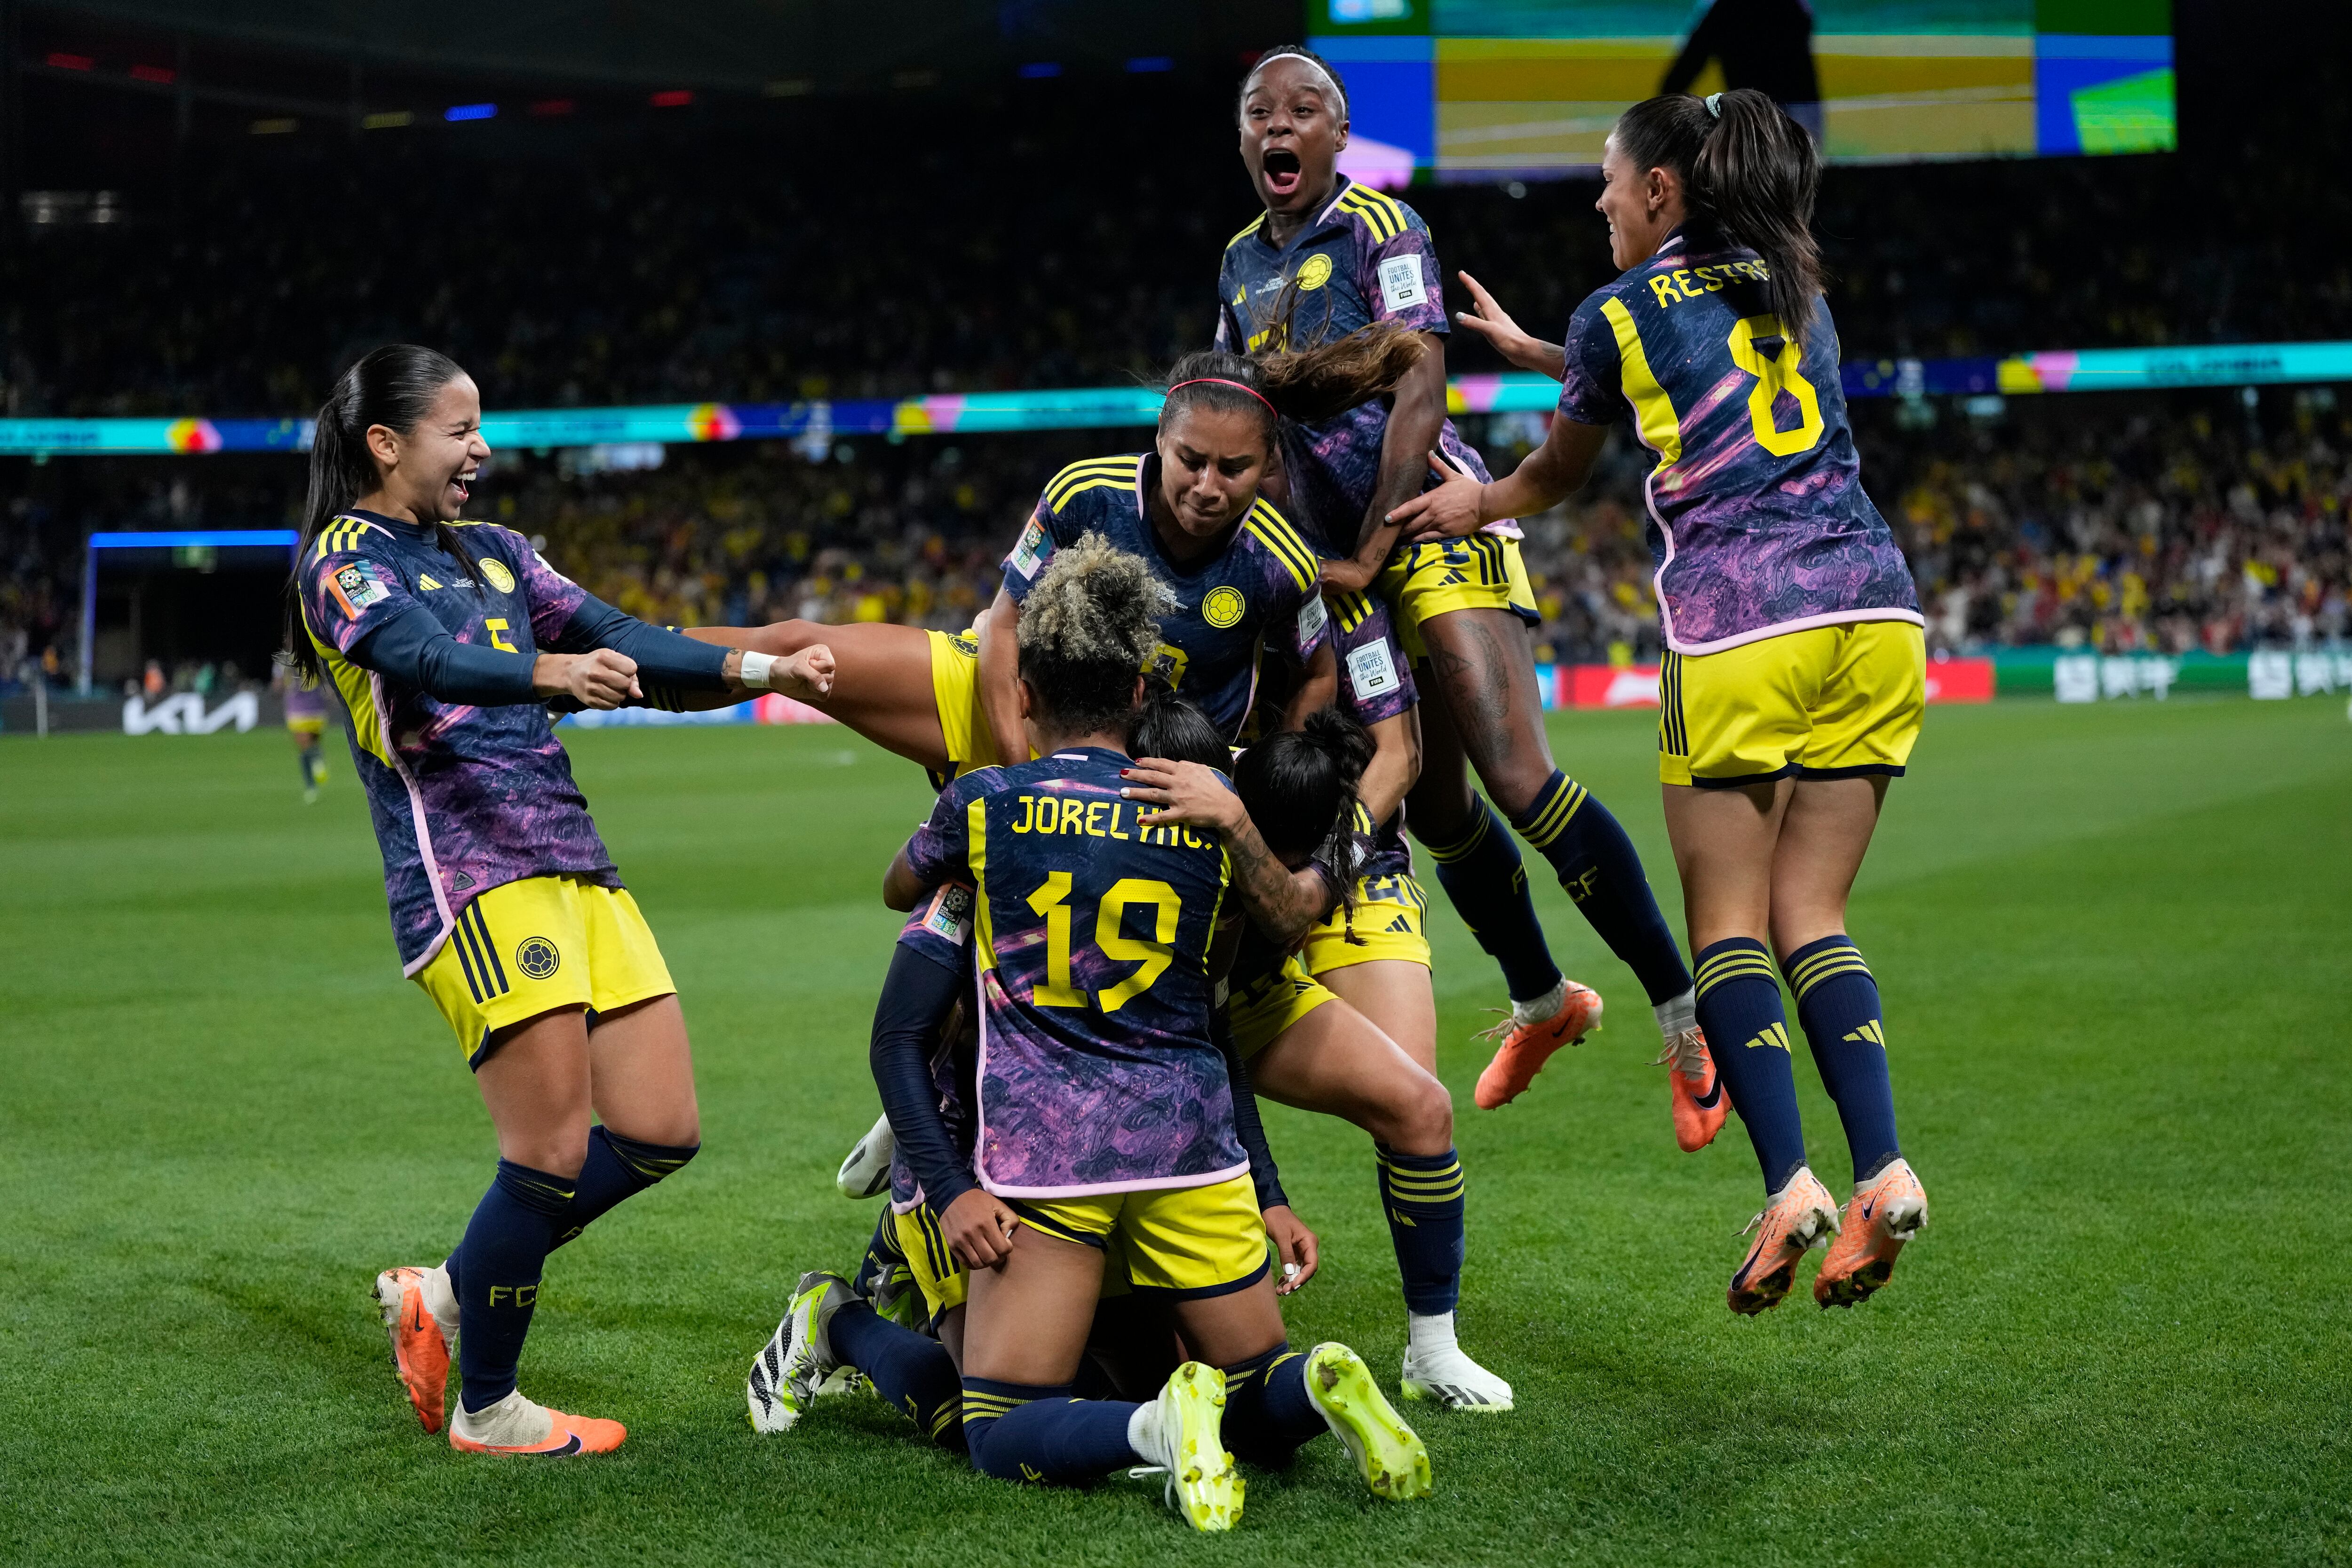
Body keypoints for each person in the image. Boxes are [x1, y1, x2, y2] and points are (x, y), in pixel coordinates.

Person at [756, 537, 1429, 1531]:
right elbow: (1234, 991)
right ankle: (1308, 1383)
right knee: (1241, 1378)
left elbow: (902, 907)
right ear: (1141, 691)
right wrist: (1269, 1189)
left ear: (1022, 691)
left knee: (993, 1419)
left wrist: (967, 856)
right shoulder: (1209, 815)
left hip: (1046, 1153)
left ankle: (1152, 1431)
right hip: (1194, 1146)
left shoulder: (982, 807)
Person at [1391, 89, 1931, 1313]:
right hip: (1877, 609)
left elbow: (1558, 472)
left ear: (1661, 191)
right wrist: (1548, 352)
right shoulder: (1799, 285)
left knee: (1732, 924)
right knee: (1817, 913)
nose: (1597, 199)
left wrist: (1477, 501)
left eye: (1608, 179)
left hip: (1744, 623)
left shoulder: (1621, 308)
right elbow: (1671, 382)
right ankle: (1883, 1165)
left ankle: (1789, 1179)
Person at [287, 344, 833, 1454]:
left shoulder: (497, 554)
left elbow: (619, 634)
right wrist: (544, 673)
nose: (482, 447)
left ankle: (441, 1295)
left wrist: (757, 671)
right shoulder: (342, 558)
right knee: (543, 1153)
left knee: (659, 1128)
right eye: (460, 429)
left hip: (576, 862)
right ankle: (487, 1405)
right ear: (386, 445)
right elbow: (409, 651)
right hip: (474, 879)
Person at [1220, 44, 1709, 1121]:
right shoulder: (1238, 264)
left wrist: (1373, 543)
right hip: (1333, 559)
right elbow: (1239, 419)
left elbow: (1420, 384)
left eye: (1303, 110)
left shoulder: (1383, 230)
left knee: (1519, 781)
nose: (1278, 127)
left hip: (1430, 524)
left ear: (1339, 136)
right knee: (1438, 813)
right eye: (1260, 112)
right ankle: (1544, 1000)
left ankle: (1685, 1019)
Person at [748, 693, 1319, 1442]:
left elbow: (1209, 1044)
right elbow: (899, 1038)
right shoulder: (979, 871)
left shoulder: (1186, 893)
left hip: (1088, 1169)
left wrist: (1266, 1191)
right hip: (973, 1161)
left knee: (1158, 1384)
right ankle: (838, 1315)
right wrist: (948, 1189)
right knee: (978, 1416)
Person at [679, 331, 1426, 783]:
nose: (1207, 486)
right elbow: (1004, 629)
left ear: (1266, 467)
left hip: (1159, 778)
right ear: (1159, 444)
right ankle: (616, 655)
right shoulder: (1085, 495)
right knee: (800, 648)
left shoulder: (1281, 562)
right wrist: (1022, 774)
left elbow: (1318, 674)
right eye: (1190, 459)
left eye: (1233, 470)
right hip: (1019, 713)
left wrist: (1268, 777)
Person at [1127, 601, 1515, 1410]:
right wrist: (1267, 1191)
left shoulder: (1325, 835)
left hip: (1245, 999)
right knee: (1162, 1353)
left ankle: (1434, 1348)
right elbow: (1209, 1046)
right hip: (1158, 1024)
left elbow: (1401, 752)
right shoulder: (1196, 851)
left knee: (1419, 1105)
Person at [282, 664, 330, 801]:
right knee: (311, 742)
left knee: (304, 745)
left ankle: (312, 783)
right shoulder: (317, 657)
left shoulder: (284, 659)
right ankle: (317, 760)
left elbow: (279, 684)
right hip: (317, 705)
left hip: (298, 707)